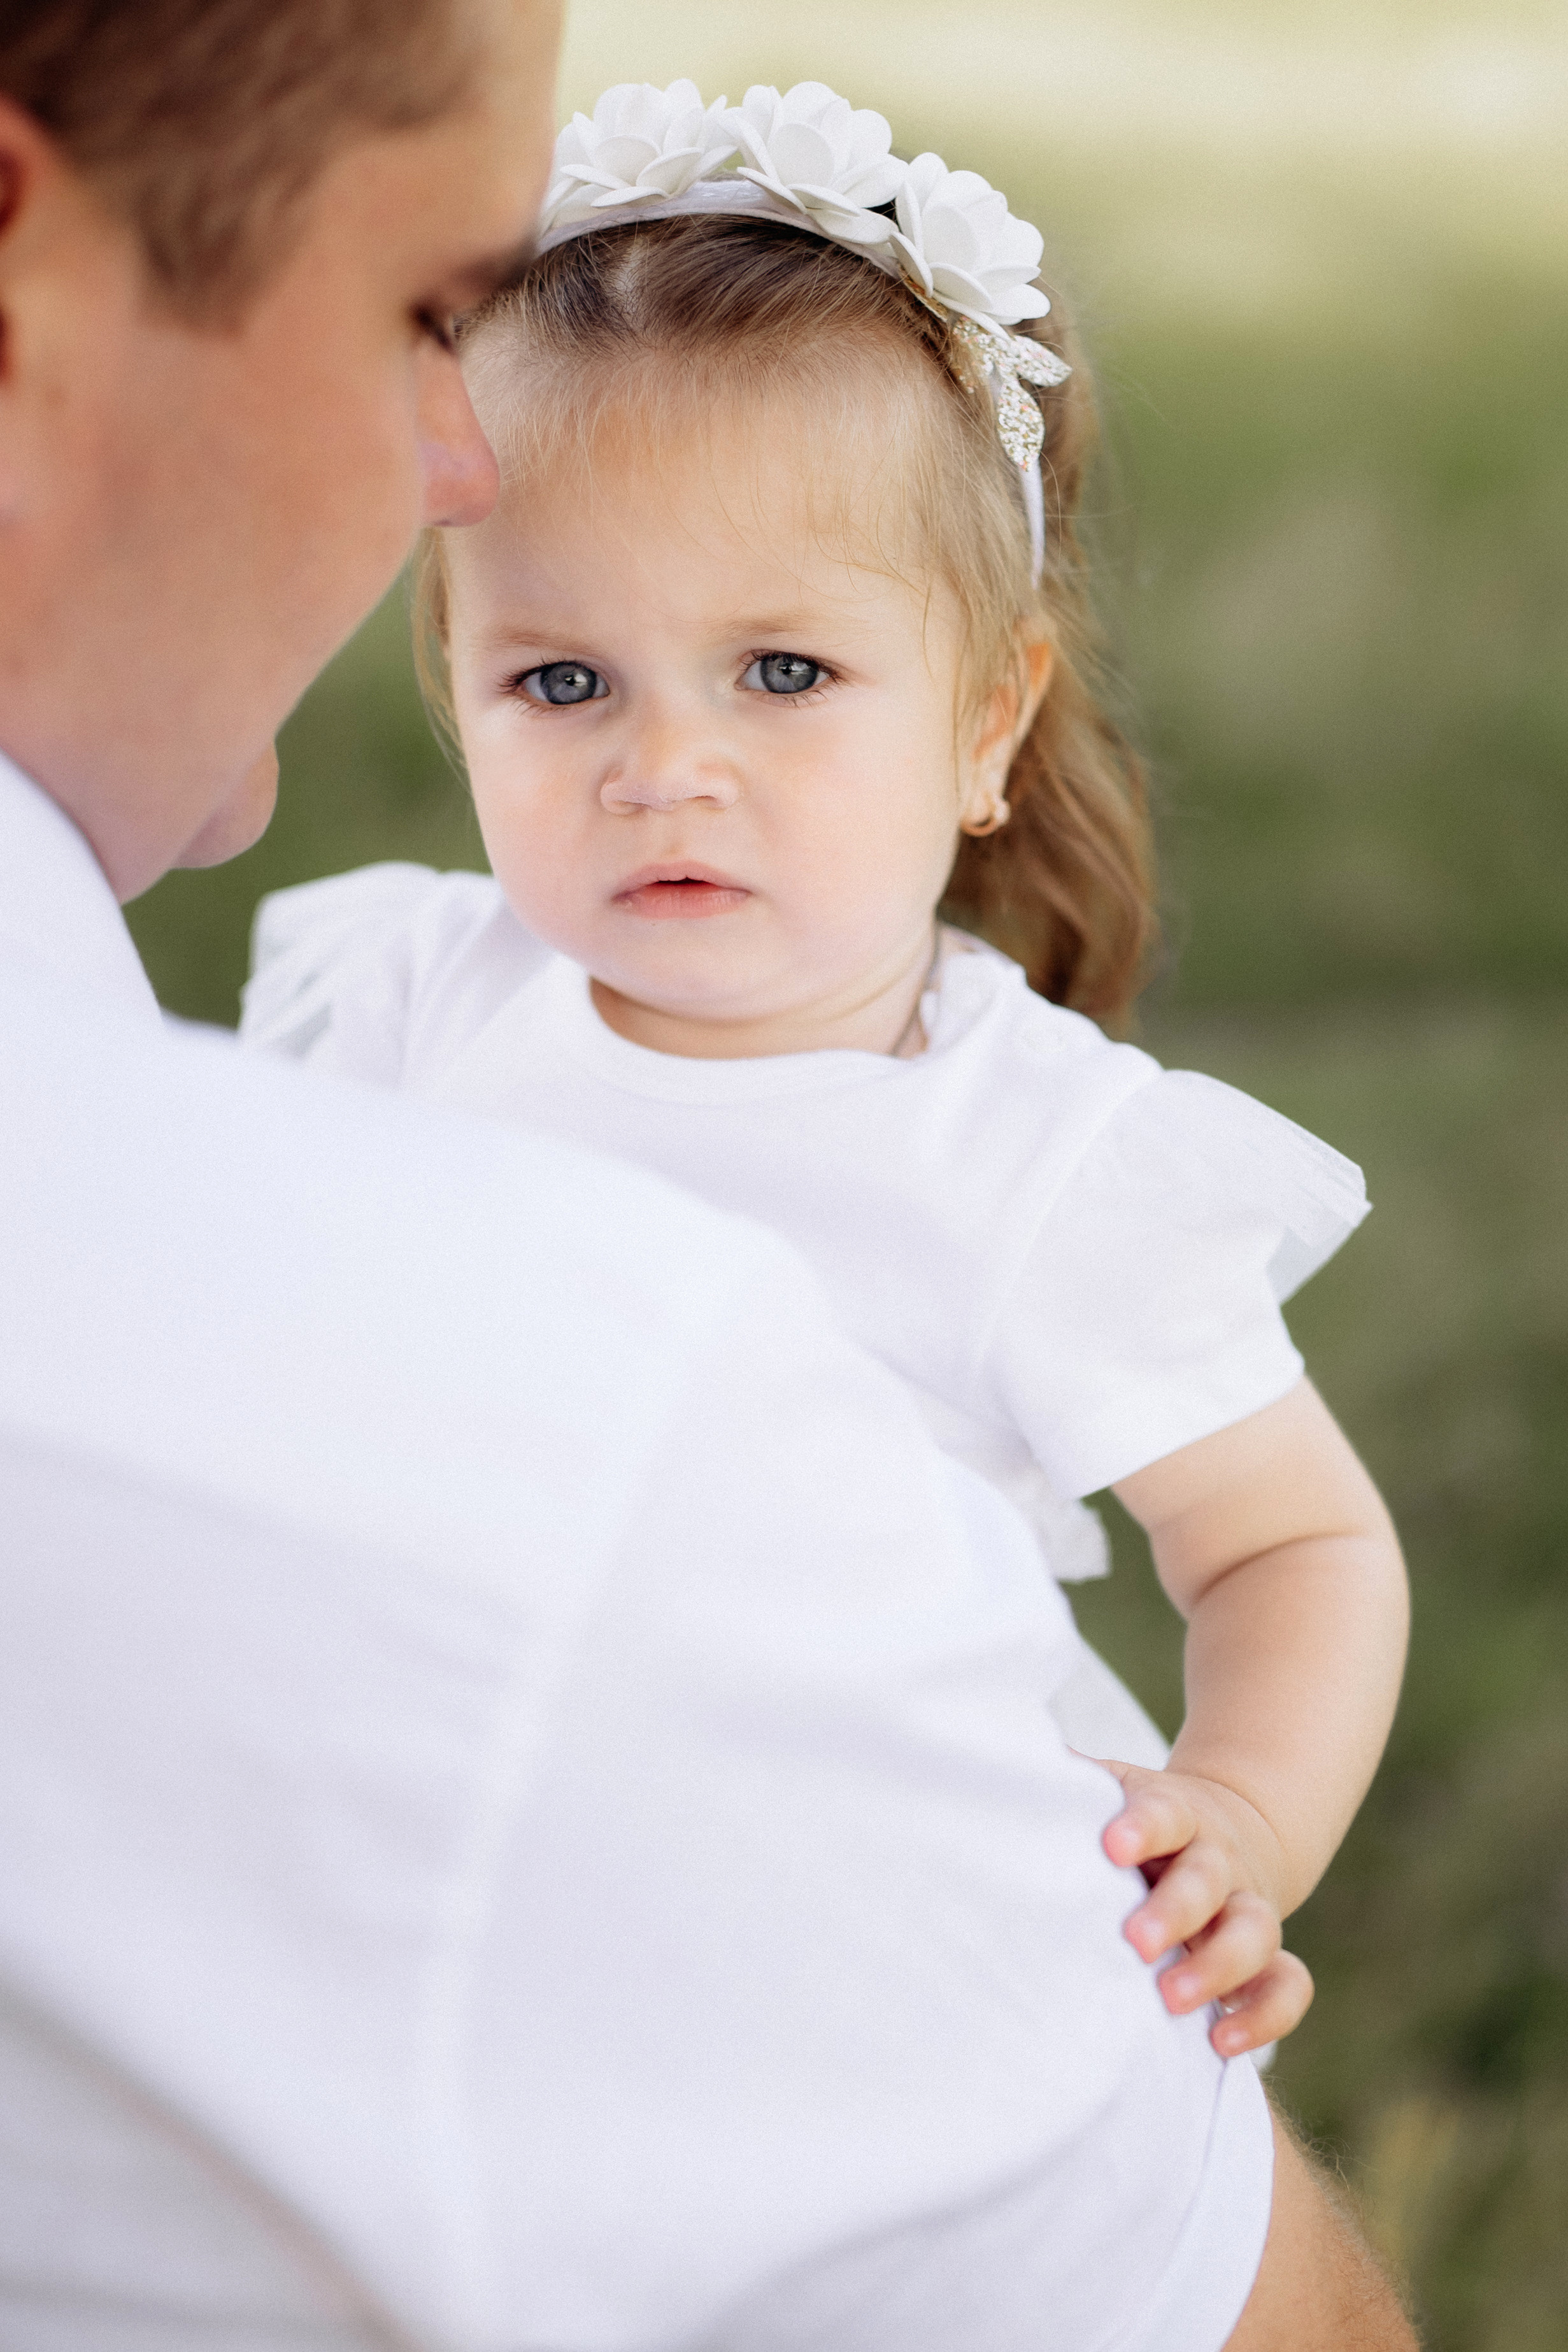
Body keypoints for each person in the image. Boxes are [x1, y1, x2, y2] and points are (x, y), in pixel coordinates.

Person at [0, 9, 1417, 2345]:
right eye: (564, 685)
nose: (670, 770)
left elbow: (1292, 1535)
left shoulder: (1026, 1163)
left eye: (779, 671)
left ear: (986, 722)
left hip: (853, 1893)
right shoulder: (405, 999)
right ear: (452, 674)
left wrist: (1244, 1818)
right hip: (440, 1796)